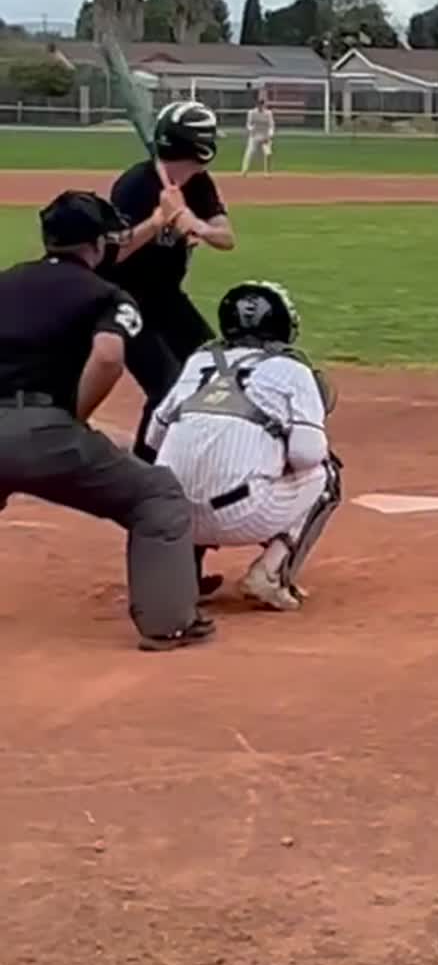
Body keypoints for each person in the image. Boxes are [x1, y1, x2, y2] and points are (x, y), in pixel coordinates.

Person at [0, 191, 213, 651]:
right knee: (157, 495)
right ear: (96, 245)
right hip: (42, 430)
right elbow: (110, 355)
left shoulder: (5, 281)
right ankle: (167, 621)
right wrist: (74, 417)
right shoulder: (107, 294)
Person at [146, 282, 342, 614]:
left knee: (189, 469)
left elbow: (153, 438)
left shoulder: (198, 362)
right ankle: (270, 574)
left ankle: (184, 577)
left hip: (173, 516)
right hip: (243, 514)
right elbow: (307, 454)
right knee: (327, 473)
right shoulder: (293, 369)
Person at [108, 101, 235, 463]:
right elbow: (112, 253)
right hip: (123, 301)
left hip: (167, 298)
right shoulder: (135, 186)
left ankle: (195, 453)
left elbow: (227, 238)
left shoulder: (198, 185)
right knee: (166, 386)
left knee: (216, 369)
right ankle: (145, 468)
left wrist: (196, 224)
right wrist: (155, 221)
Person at [242, 90, 275, 176]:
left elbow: (271, 125)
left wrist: (270, 134)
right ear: (257, 104)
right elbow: (248, 124)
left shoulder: (268, 113)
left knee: (268, 153)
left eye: (262, 104)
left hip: (265, 136)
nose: (260, 105)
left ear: (263, 104)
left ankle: (267, 172)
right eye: (259, 104)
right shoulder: (251, 113)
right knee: (250, 152)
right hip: (254, 136)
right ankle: (244, 170)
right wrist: (250, 129)